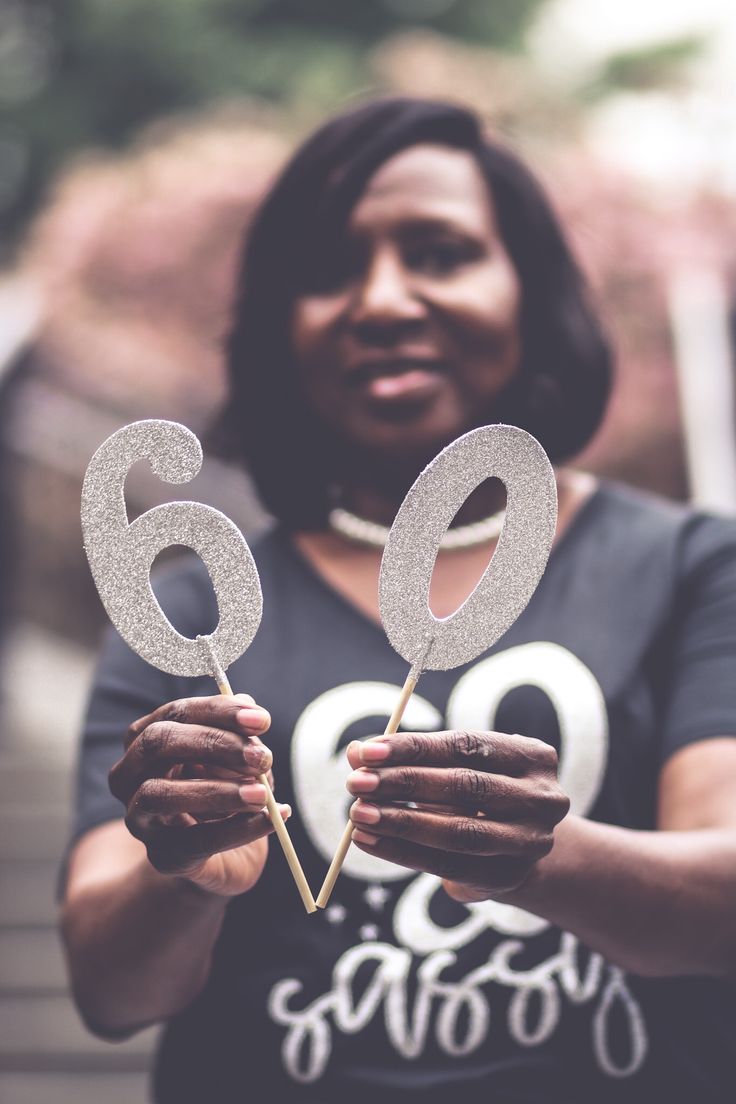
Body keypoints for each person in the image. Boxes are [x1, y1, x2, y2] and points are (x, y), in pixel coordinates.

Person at [60, 97, 736, 1103]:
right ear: (279, 326)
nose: (380, 300)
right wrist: (182, 875)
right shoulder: (189, 612)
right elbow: (110, 993)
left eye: (439, 251)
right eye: (328, 271)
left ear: (530, 291)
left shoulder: (690, 566)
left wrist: (539, 860)